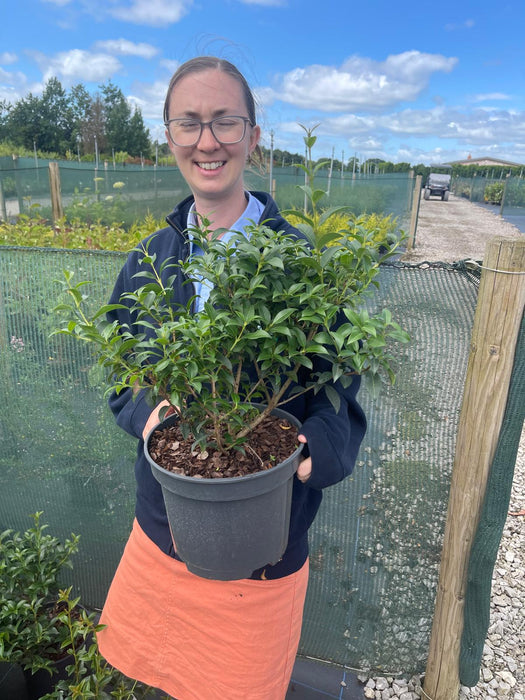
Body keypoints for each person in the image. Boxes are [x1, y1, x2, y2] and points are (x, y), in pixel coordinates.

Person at [96, 56, 367, 700]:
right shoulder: (150, 261)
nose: (207, 140)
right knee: (157, 676)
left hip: (260, 547)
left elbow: (340, 396)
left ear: (253, 134)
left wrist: (311, 457)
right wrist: (146, 414)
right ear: (169, 137)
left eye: (225, 121)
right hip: (162, 527)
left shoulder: (302, 263)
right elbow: (122, 373)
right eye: (188, 123)